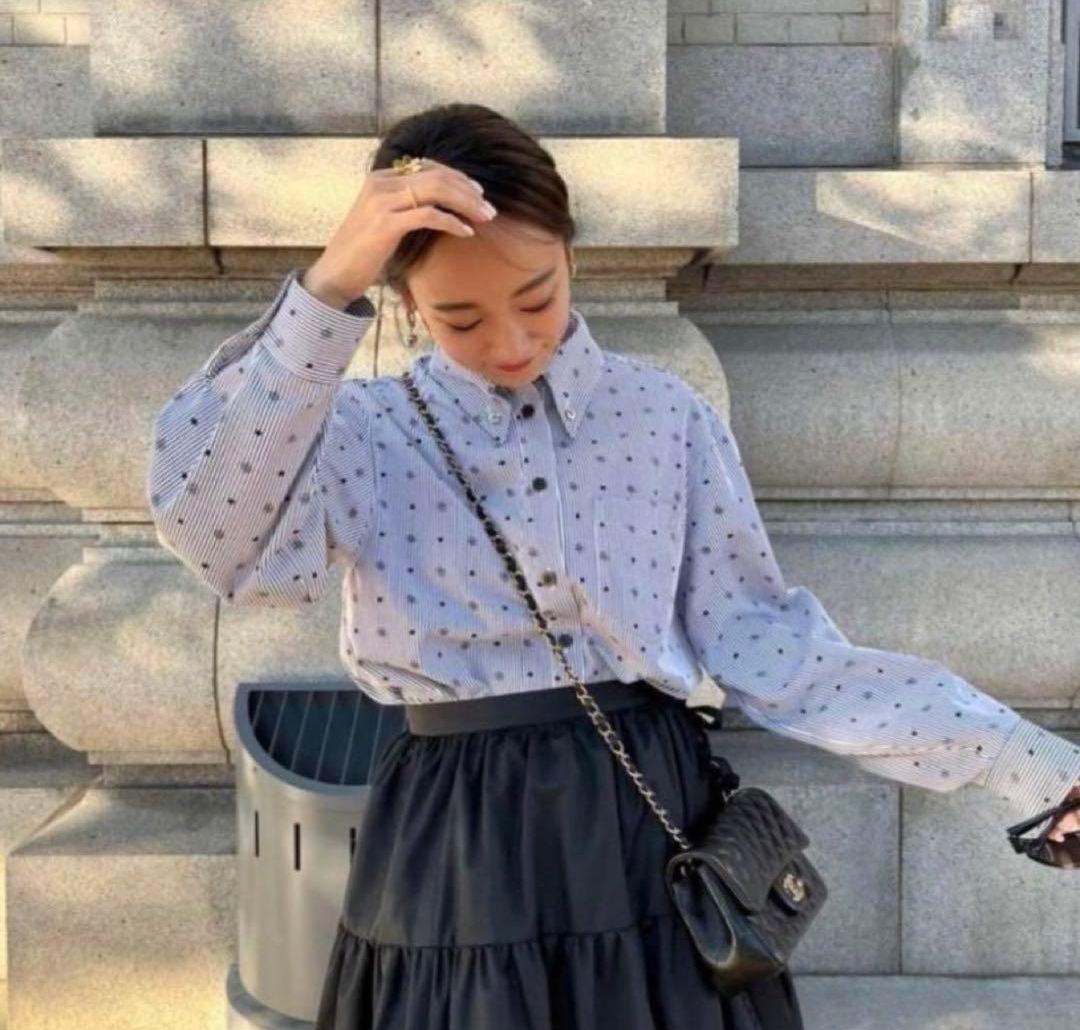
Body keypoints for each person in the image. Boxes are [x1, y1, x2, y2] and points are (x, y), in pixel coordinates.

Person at [146, 102, 1080, 1029]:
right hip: (457, 849)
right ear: (406, 303)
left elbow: (775, 650)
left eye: (538, 298)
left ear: (571, 254)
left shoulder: (662, 417)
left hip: (644, 829)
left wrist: (1024, 762)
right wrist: (325, 290)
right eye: (460, 318)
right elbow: (218, 539)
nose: (511, 343)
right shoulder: (361, 430)